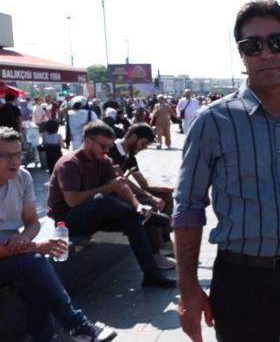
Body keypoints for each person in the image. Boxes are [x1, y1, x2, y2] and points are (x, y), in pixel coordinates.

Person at [173, 0, 280, 342]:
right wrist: (188, 289)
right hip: (241, 283)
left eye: (276, 43)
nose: (266, 54)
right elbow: (188, 208)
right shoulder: (212, 122)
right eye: (253, 46)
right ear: (242, 54)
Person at [0, 127, 117, 342]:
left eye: (17, 154)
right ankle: (76, 324)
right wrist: (34, 246)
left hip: (15, 254)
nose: (14, 161)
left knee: (31, 283)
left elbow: (32, 222)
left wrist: (25, 238)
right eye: (6, 155)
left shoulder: (22, 177)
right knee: (34, 262)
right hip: (12, 255)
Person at [46, 121, 176, 288]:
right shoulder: (70, 163)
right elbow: (73, 200)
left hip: (95, 214)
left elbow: (121, 186)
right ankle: (150, 218)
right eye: (103, 146)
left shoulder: (103, 159)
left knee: (132, 221)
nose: (107, 150)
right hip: (67, 220)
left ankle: (151, 274)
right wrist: (108, 188)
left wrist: (137, 205)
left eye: (109, 146)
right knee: (102, 199)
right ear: (87, 141)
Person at [108, 123, 175, 269]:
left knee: (166, 196)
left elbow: (142, 183)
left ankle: (165, 241)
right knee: (149, 205)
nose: (143, 148)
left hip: (125, 192)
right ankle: (155, 253)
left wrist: (164, 190)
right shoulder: (111, 151)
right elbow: (124, 182)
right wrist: (151, 198)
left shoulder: (130, 156)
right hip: (113, 195)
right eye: (143, 143)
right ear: (133, 137)